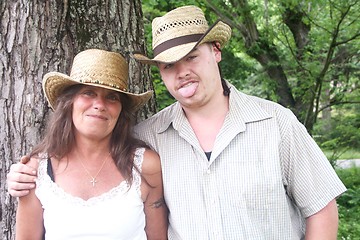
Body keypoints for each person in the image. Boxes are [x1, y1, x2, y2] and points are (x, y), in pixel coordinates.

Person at [8, 5, 346, 240]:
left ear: (216, 51)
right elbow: (89, 153)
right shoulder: (149, 137)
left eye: (191, 57)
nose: (181, 71)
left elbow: (321, 209)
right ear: (160, 73)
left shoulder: (277, 123)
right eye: (168, 65)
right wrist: (23, 174)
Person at [11, 49, 168, 240]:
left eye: (112, 97)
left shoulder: (146, 166)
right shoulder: (35, 171)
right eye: (88, 93)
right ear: (70, 102)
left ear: (121, 111)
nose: (99, 104)